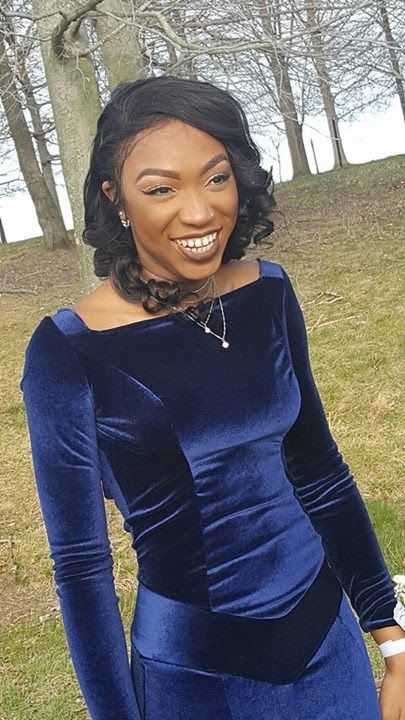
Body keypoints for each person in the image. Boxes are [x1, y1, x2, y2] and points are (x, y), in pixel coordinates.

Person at [19, 76, 405, 720]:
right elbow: (82, 567)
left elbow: (319, 472)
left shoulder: (268, 293)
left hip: (328, 645)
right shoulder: (69, 351)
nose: (199, 213)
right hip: (200, 680)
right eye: (161, 189)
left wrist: (392, 640)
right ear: (116, 198)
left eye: (216, 178)